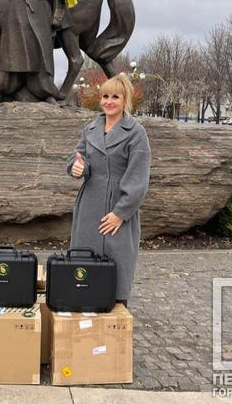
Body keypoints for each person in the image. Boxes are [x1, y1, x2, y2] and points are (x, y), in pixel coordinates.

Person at [67, 74, 151, 306]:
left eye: (115, 96)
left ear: (125, 100)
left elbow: (139, 179)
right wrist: (77, 168)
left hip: (119, 209)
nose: (109, 101)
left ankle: (116, 317)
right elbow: (77, 158)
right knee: (84, 266)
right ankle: (83, 311)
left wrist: (120, 214)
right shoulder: (90, 128)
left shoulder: (136, 133)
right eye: (105, 96)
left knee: (117, 269)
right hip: (89, 208)